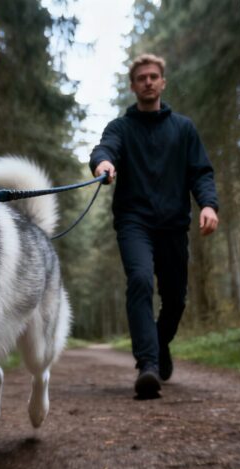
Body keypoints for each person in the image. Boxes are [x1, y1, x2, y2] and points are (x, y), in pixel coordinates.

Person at [89, 53, 219, 399]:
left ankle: (159, 345)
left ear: (163, 82)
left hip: (174, 225)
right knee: (141, 280)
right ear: (133, 86)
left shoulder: (184, 129)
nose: (148, 82)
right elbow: (106, 149)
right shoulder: (121, 128)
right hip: (135, 222)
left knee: (175, 299)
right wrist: (103, 164)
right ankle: (147, 365)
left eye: (153, 76)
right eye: (141, 78)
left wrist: (208, 204)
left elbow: (201, 172)